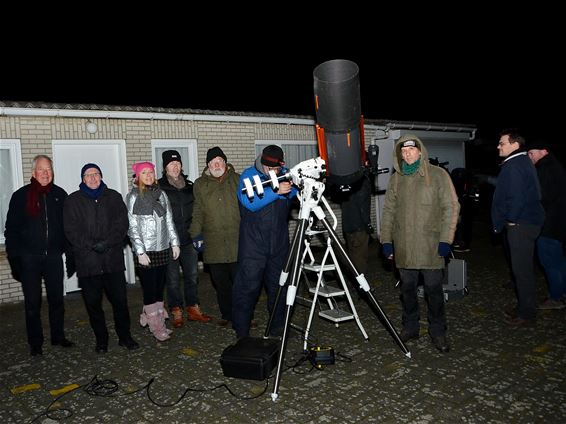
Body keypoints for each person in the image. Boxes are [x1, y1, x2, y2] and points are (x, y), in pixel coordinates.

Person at [380, 135, 459, 353]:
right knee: (407, 290)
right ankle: (410, 327)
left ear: (420, 151)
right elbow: (388, 211)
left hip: (431, 245)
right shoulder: (397, 178)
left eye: (411, 150)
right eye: (403, 151)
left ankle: (438, 331)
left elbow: (451, 207)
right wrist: (386, 240)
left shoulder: (438, 175)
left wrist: (446, 239)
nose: (407, 154)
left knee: (433, 290)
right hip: (404, 246)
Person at [63, 163, 139, 353]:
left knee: (120, 303)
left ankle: (125, 337)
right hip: (88, 263)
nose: (92, 178)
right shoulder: (73, 201)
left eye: (96, 174)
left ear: (101, 176)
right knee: (93, 306)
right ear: (82, 179)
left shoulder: (113, 197)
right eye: (88, 175)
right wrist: (91, 245)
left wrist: (107, 242)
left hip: (112, 260)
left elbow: (122, 224)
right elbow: (71, 230)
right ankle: (101, 340)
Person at [4, 154, 74, 356]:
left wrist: (70, 254)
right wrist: (14, 258)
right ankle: (35, 343)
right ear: (33, 173)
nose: (45, 173)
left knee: (57, 301)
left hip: (53, 257)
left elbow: (68, 228)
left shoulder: (60, 194)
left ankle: (58, 337)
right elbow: (11, 230)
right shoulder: (21, 196)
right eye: (41, 169)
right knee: (32, 303)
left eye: (49, 169)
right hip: (29, 259)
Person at [232, 145, 298, 339]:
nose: (273, 172)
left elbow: (294, 194)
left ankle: (278, 326)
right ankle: (242, 331)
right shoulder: (248, 175)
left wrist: (292, 188)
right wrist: (275, 191)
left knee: (280, 287)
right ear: (262, 163)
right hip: (253, 245)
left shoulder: (285, 173)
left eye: (276, 169)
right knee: (247, 288)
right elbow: (248, 201)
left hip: (278, 243)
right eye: (269, 168)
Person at [492, 129, 545, 326]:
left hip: (521, 224)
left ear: (515, 145)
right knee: (522, 270)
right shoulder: (521, 162)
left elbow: (516, 197)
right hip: (527, 223)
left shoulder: (515, 165)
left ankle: (526, 314)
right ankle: (525, 306)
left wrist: (512, 220)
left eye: (502, 143)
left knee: (521, 271)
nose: (498, 146)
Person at [127, 161, 180, 342]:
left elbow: (169, 220)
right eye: (144, 173)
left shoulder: (161, 194)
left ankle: (155, 319)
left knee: (159, 289)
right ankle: (156, 327)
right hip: (146, 252)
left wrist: (175, 243)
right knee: (149, 290)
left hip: (162, 248)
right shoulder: (134, 197)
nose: (149, 176)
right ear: (138, 177)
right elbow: (132, 226)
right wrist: (140, 251)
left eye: (151, 172)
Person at [158, 150, 211, 328]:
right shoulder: (159, 187)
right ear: (165, 167)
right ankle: (176, 310)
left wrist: (198, 233)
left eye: (178, 164)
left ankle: (193, 308)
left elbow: (198, 211)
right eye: (171, 164)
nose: (175, 166)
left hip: (189, 239)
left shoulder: (189, 186)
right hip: (170, 242)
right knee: (172, 279)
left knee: (192, 276)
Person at [189, 147, 240, 327]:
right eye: (212, 162)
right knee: (221, 283)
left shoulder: (238, 180)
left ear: (225, 163)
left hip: (237, 241)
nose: (216, 164)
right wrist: (195, 234)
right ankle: (227, 314)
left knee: (240, 283)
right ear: (208, 165)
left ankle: (242, 315)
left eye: (219, 161)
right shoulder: (200, 184)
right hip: (213, 242)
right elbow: (198, 210)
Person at [527, 140, 566, 309]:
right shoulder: (555, 166)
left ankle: (555, 298)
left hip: (549, 225)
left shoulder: (546, 168)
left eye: (532, 153)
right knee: (558, 261)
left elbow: (542, 198)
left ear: (543, 151)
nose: (530, 156)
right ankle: (561, 292)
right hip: (557, 223)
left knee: (550, 261)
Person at [333, 173, 372, 275]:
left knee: (352, 254)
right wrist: (367, 224)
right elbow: (362, 206)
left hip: (348, 224)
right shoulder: (362, 181)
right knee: (360, 258)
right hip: (359, 226)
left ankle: (354, 278)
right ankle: (361, 284)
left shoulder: (346, 180)